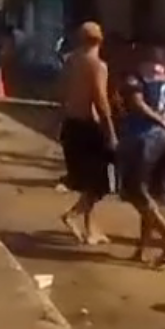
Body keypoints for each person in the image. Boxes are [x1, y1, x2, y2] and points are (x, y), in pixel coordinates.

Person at [118, 46, 165, 267]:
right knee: (149, 196)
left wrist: (157, 119)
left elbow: (137, 103)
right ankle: (142, 249)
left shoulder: (137, 75)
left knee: (136, 190)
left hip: (145, 138)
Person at [59, 21, 118, 244]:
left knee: (87, 181)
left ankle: (91, 229)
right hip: (89, 126)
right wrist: (110, 131)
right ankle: (72, 216)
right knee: (101, 183)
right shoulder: (97, 65)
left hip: (71, 124)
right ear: (100, 40)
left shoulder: (70, 61)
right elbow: (100, 101)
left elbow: (60, 91)